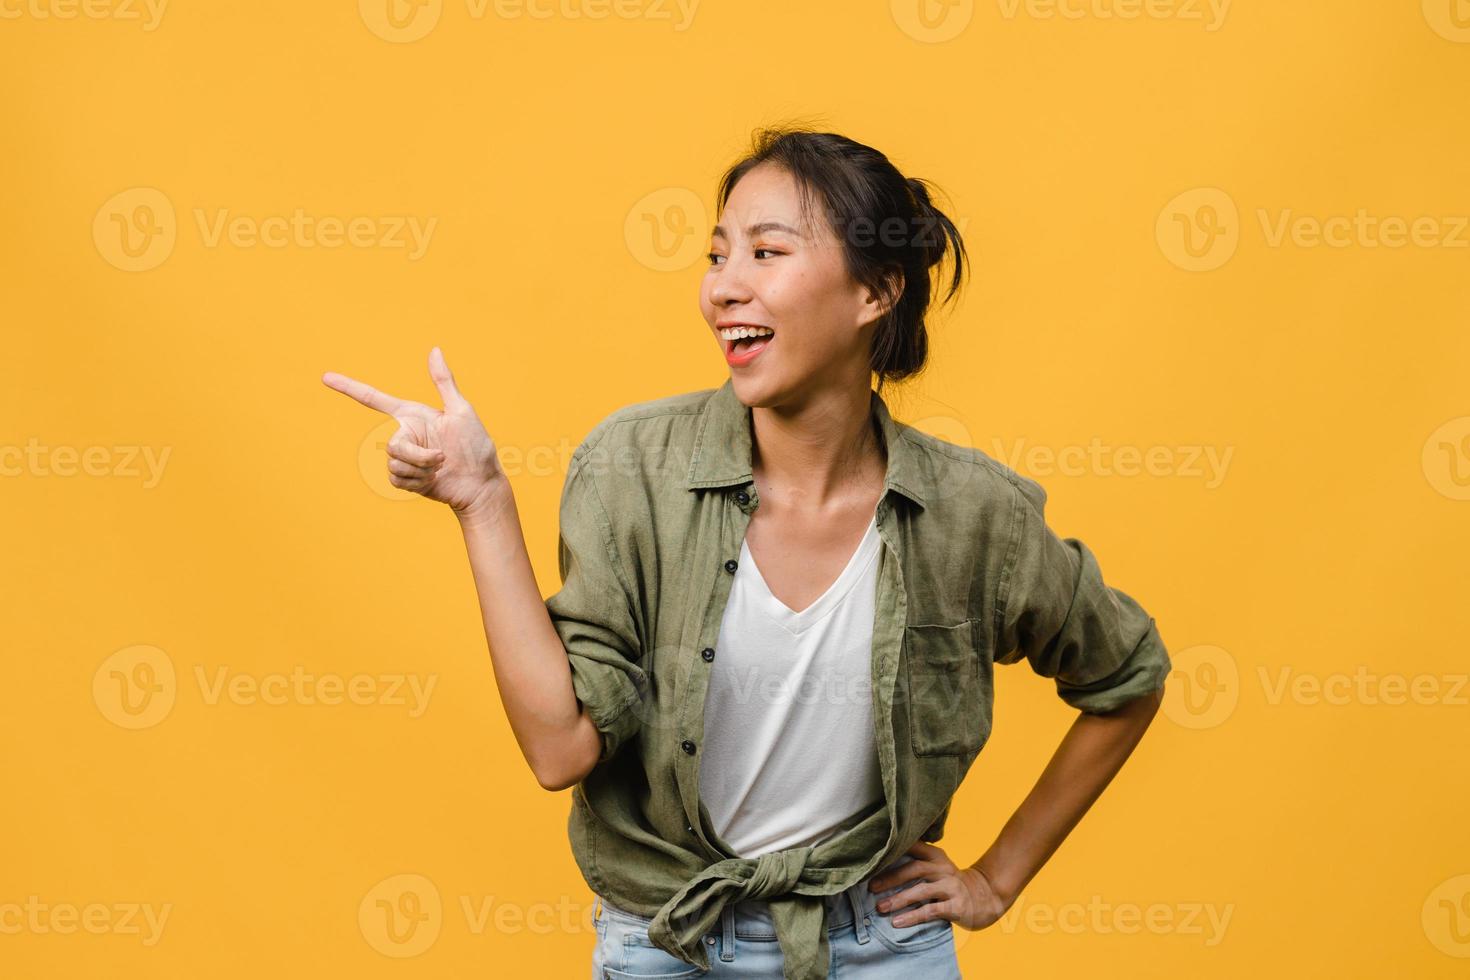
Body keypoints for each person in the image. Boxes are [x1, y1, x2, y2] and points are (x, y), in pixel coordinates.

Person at [322, 126, 1172, 980]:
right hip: (671, 943)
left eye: (766, 252)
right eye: (718, 255)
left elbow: (1125, 678)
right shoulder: (633, 468)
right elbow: (562, 750)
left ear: (875, 292)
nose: (724, 288)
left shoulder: (974, 513)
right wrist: (483, 503)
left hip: (883, 946)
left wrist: (996, 879)